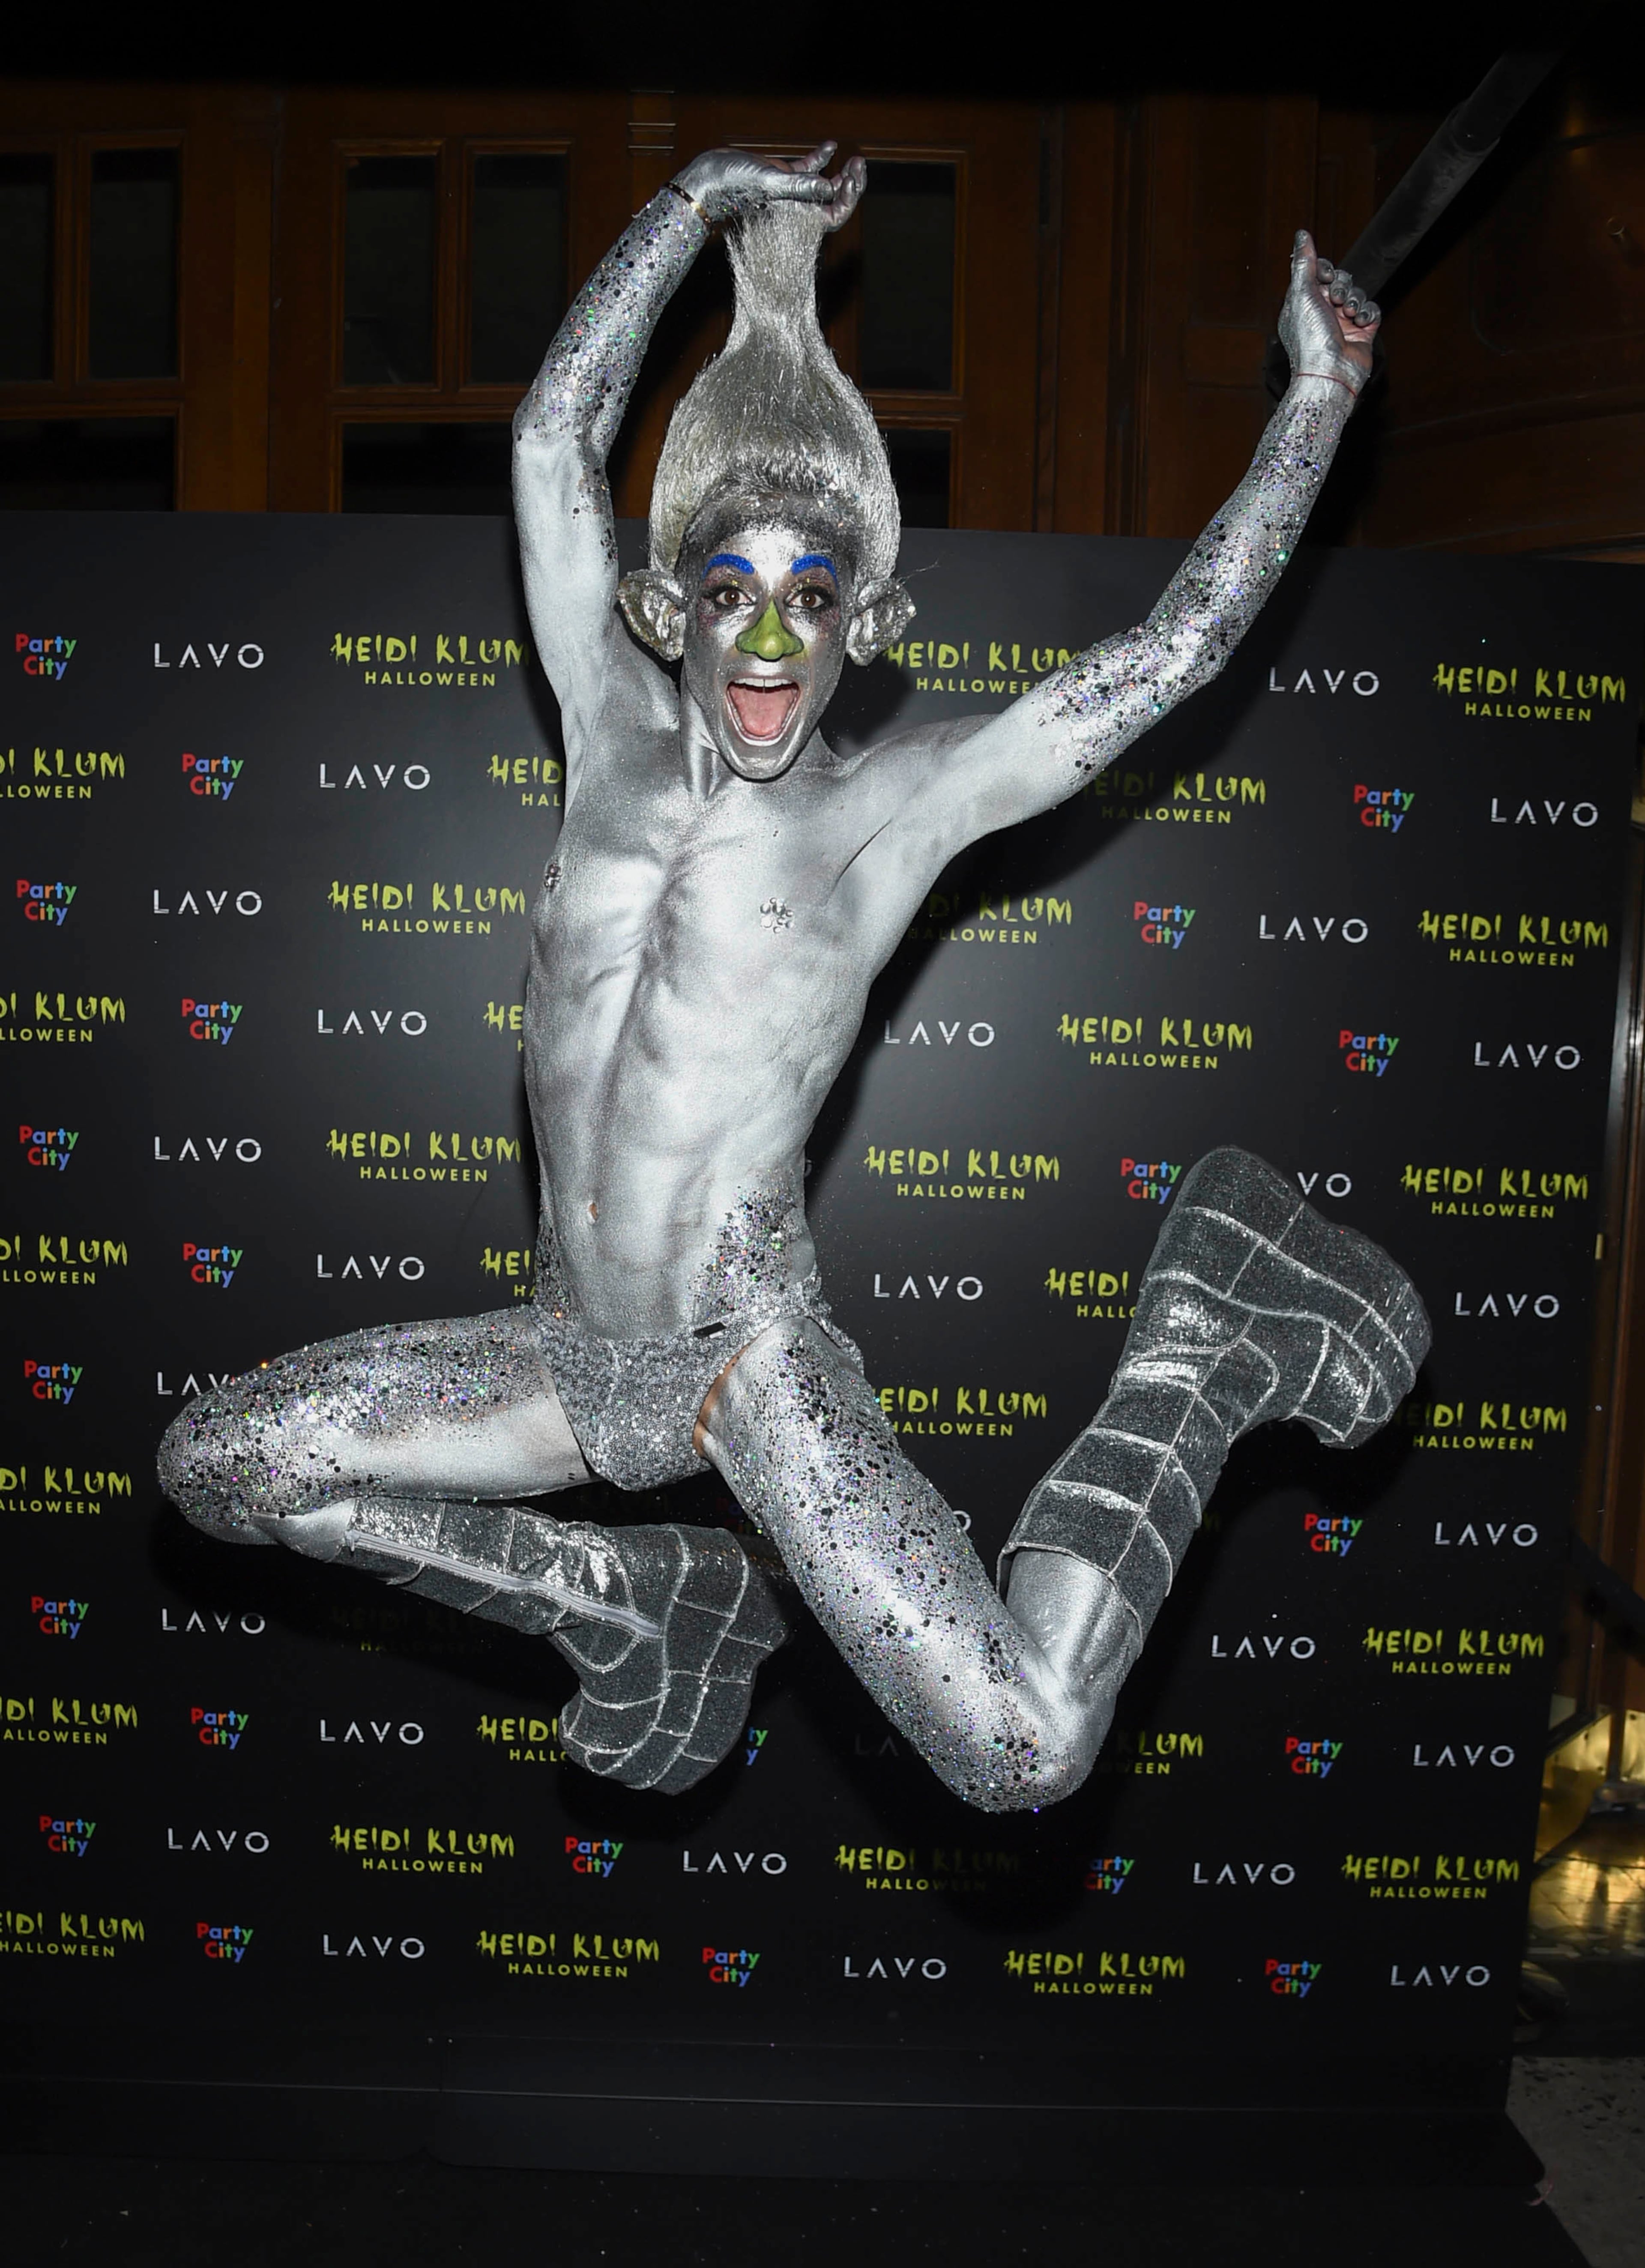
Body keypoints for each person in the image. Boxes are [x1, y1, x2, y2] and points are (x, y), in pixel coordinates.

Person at [159, 145, 1428, 1812]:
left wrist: (1314, 406)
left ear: (868, 623)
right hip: (562, 1357)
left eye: (813, 600)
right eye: (733, 591)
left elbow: (1165, 659)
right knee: (219, 1461)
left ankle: (1208, 1335)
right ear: (664, 607)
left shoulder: (889, 812)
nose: (769, 641)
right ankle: (638, 1605)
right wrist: (690, 207)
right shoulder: (607, 738)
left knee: (1024, 1747)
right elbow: (554, 443)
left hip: (744, 1359)